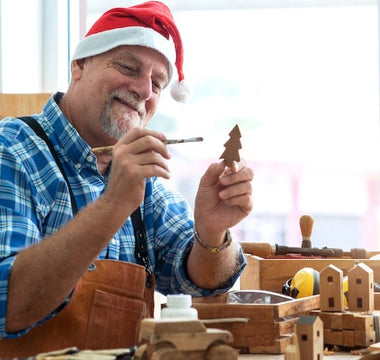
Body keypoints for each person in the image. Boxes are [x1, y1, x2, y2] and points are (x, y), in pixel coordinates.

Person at [0, 1, 253, 356]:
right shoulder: (11, 151)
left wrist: (212, 233)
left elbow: (202, 283)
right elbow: (6, 305)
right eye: (127, 67)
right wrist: (114, 204)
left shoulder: (142, 180)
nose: (144, 90)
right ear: (79, 65)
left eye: (158, 83)